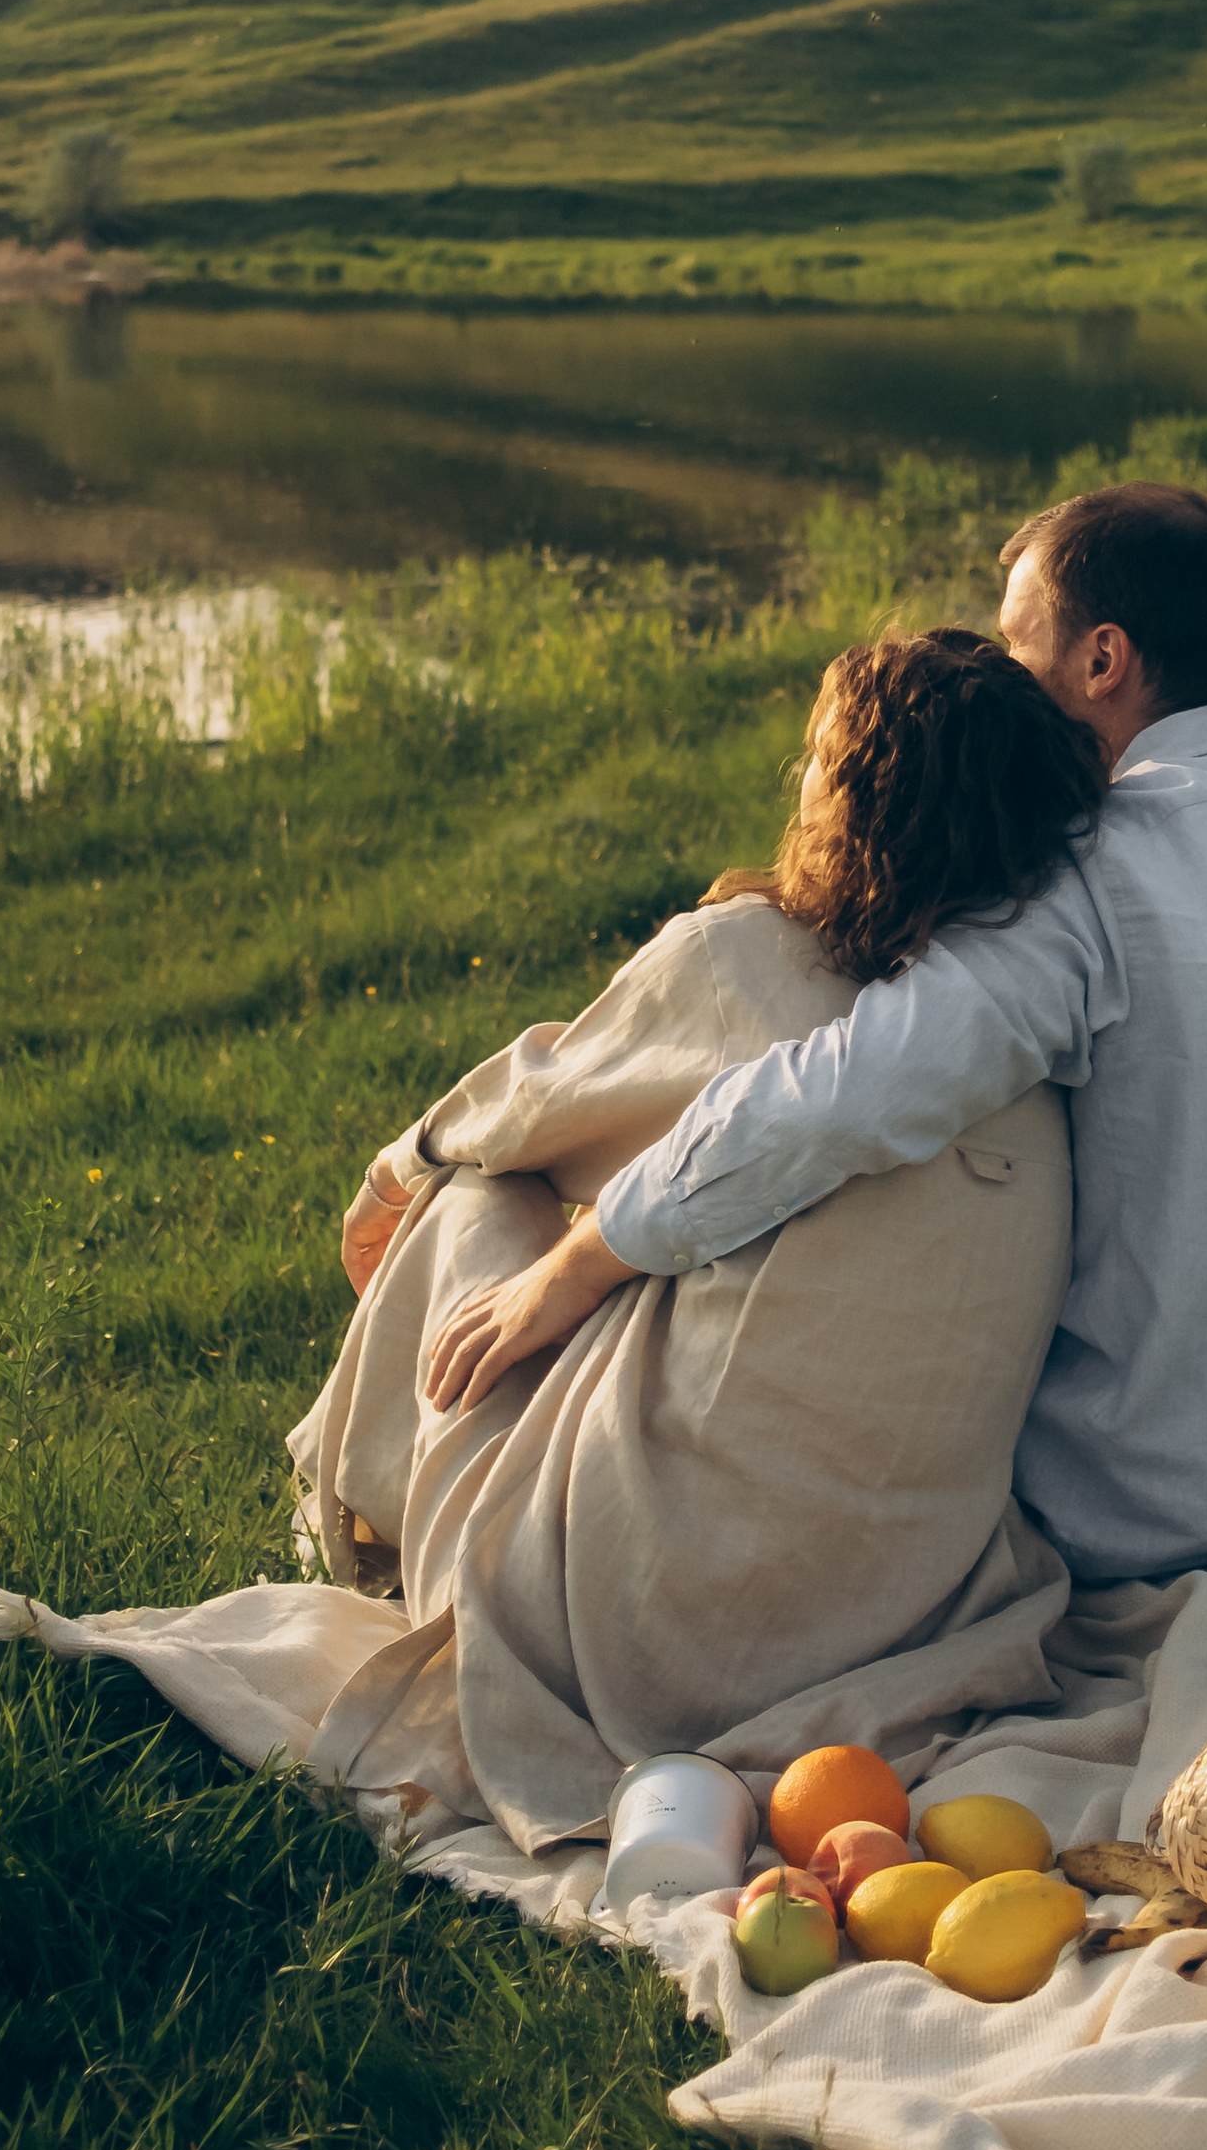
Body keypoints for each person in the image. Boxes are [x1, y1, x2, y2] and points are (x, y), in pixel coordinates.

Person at [405, 478, 1207, 1591]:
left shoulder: (1087, 882)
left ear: (1101, 661)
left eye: (1021, 649)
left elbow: (837, 1097)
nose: (999, 680)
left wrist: (585, 1259)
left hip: (1172, 1510)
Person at [298, 627, 1106, 1847]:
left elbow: (533, 1107)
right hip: (900, 1621)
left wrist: (394, 1172)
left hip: (644, 1630)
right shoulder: (1030, 1050)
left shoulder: (748, 960)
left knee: (477, 1198)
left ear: (845, 794)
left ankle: (346, 1507)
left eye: (814, 760)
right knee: (681, 1241)